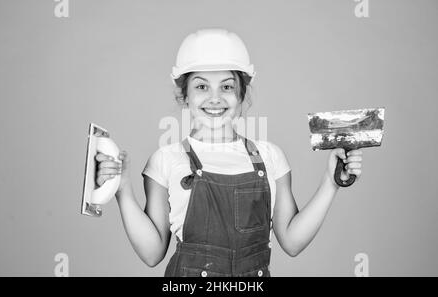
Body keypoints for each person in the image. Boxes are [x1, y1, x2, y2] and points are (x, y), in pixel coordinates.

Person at [94, 29, 363, 277]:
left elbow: (292, 242)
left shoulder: (269, 157)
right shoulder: (165, 160)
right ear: (185, 95)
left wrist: (331, 182)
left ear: (241, 94)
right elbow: (152, 254)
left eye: (226, 86)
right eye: (201, 87)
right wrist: (122, 189)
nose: (215, 98)